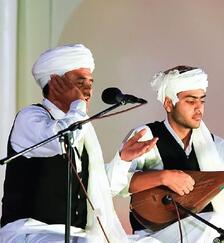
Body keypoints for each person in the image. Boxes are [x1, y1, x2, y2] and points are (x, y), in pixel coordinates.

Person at [107, 65, 224, 243]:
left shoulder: (216, 146)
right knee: (216, 222)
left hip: (205, 234)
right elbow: (115, 184)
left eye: (202, 100)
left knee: (219, 225)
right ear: (168, 103)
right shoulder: (146, 136)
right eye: (190, 101)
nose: (199, 107)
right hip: (155, 236)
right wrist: (163, 177)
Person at [0, 44, 158, 243]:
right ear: (55, 82)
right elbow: (61, 141)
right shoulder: (31, 117)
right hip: (30, 231)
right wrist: (77, 105)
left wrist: (123, 159)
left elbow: (96, 189)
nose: (88, 89)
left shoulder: (81, 126)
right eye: (80, 82)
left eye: (91, 82)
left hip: (78, 235)